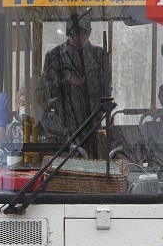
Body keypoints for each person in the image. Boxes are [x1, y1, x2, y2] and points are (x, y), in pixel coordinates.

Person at [42, 13, 111, 158]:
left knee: (92, 167)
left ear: (90, 32)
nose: (79, 39)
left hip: (92, 125)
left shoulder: (99, 56)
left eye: (83, 34)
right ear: (68, 34)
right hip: (62, 127)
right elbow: (45, 93)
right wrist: (66, 81)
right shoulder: (54, 57)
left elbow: (106, 91)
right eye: (75, 35)